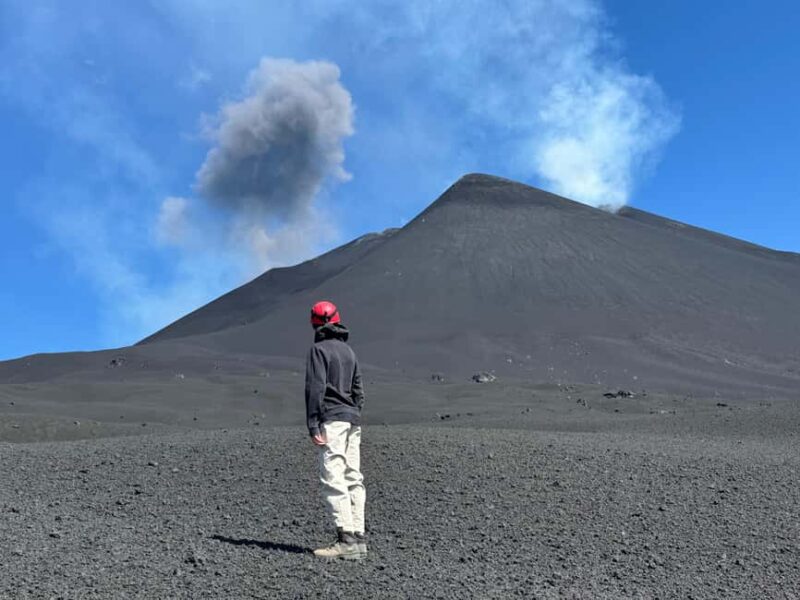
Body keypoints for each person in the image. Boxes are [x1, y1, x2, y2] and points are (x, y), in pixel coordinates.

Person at [305, 300, 367, 560]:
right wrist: (354, 411)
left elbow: (315, 387)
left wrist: (313, 423)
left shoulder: (318, 350)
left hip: (332, 419)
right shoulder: (348, 351)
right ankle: (359, 538)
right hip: (352, 419)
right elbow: (359, 390)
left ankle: (346, 540)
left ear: (315, 323)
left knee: (334, 476)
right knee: (353, 476)